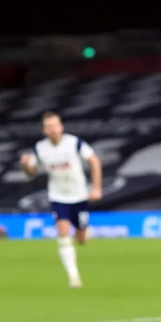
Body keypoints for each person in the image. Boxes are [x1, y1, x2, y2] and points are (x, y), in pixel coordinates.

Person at [20, 111, 102, 288]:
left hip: (79, 195)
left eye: (55, 125)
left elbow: (94, 161)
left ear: (61, 127)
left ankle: (84, 231)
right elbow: (31, 173)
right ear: (44, 130)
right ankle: (74, 277)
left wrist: (96, 188)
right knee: (63, 234)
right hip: (58, 196)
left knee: (80, 238)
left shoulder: (74, 143)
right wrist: (25, 165)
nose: (53, 130)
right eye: (49, 127)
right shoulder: (40, 148)